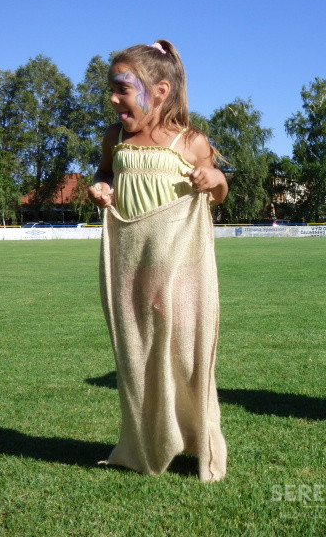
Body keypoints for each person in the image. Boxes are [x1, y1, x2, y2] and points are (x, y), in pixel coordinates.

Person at [88, 40, 229, 482]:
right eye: (111, 90)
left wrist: (212, 177)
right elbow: (105, 172)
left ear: (161, 90)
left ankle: (200, 442)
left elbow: (220, 190)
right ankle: (147, 444)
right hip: (130, 270)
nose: (114, 99)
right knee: (138, 360)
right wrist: (101, 186)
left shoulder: (190, 142)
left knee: (187, 360)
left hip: (181, 272)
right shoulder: (116, 139)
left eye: (122, 89)